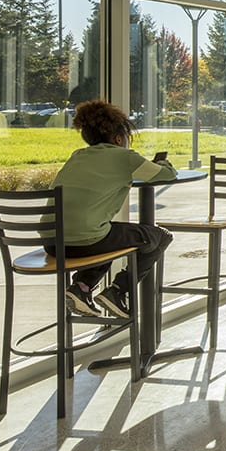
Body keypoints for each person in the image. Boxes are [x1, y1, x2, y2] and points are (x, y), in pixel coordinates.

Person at [45, 100, 177, 317]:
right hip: (86, 241)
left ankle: (81, 288)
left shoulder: (78, 156)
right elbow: (166, 175)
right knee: (160, 237)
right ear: (118, 138)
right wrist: (165, 163)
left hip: (53, 244)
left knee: (110, 236)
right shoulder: (124, 157)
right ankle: (118, 291)